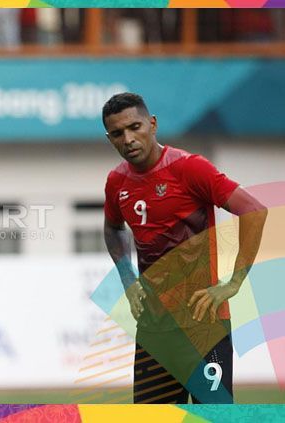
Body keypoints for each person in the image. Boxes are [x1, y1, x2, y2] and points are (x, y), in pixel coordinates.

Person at [102, 92, 267, 404]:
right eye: (117, 134)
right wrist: (127, 276)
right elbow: (113, 228)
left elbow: (254, 211)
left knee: (211, 416)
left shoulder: (190, 169)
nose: (128, 139)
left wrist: (233, 283)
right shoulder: (116, 183)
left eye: (135, 127)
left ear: (152, 124)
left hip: (203, 326)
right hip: (154, 328)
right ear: (109, 138)